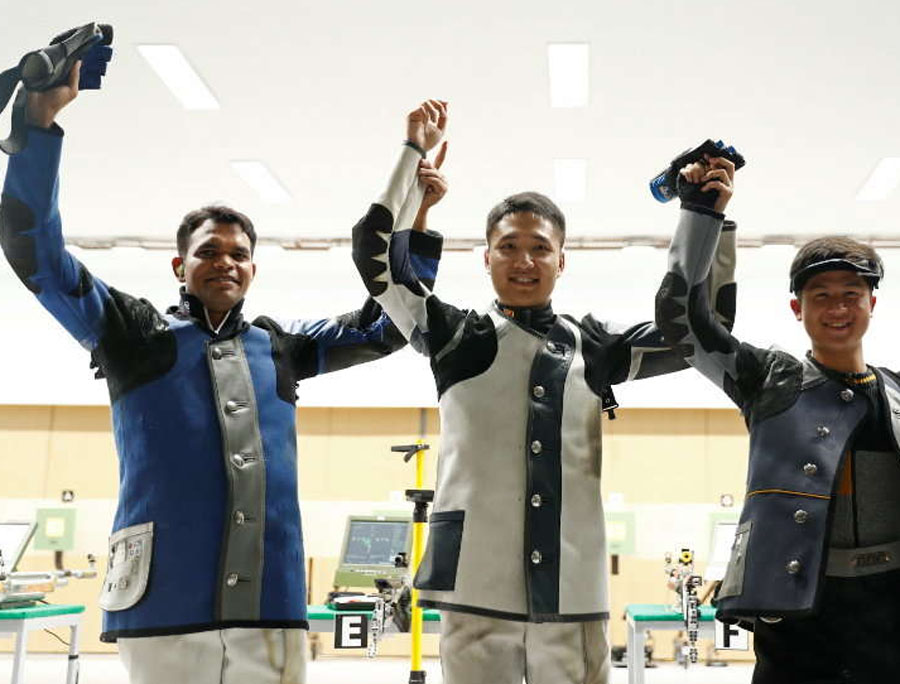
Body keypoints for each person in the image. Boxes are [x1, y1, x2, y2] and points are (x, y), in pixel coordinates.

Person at [0, 63, 446, 684]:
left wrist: (414, 218)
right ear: (181, 265)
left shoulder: (281, 348)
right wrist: (38, 126)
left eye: (240, 254)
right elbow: (37, 255)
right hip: (162, 606)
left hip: (272, 604)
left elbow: (388, 328)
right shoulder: (133, 334)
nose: (225, 263)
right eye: (209, 251)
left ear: (254, 272)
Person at [351, 101, 738, 684]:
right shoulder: (453, 336)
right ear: (485, 259)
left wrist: (703, 215)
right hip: (475, 593)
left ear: (562, 260)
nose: (524, 260)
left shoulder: (598, 349)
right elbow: (374, 255)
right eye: (508, 247)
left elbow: (705, 331)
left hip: (574, 598)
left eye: (539, 248)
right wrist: (412, 159)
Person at [655, 157, 900, 682]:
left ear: (872, 303)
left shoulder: (897, 392)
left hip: (889, 616)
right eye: (822, 297)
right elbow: (684, 326)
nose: (838, 308)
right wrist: (702, 213)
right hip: (796, 618)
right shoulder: (769, 378)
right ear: (797, 308)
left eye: (851, 295)